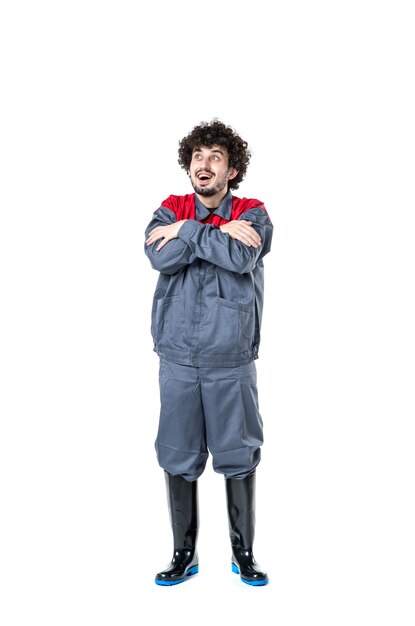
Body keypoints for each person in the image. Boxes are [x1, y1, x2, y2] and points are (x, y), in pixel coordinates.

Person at [144, 119, 273, 587]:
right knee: (177, 453)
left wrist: (187, 232)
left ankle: (244, 552)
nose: (204, 164)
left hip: (231, 356)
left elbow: (242, 258)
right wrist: (207, 230)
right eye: (198, 156)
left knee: (238, 453)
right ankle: (184, 553)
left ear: (232, 170)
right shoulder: (169, 207)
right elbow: (160, 256)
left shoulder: (255, 212)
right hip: (176, 356)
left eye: (215, 157)